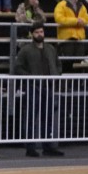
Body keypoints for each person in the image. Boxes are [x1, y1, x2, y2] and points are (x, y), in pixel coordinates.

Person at [16, 21, 64, 158]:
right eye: (37, 32)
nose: (39, 34)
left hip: (48, 86)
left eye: (41, 32)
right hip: (33, 87)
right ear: (32, 34)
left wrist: (56, 75)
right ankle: (30, 147)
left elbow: (58, 64)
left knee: (47, 117)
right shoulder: (26, 50)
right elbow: (18, 67)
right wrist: (30, 77)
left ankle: (47, 146)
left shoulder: (50, 48)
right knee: (31, 117)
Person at [54, 0, 88, 65]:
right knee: (67, 63)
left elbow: (87, 19)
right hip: (67, 38)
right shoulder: (61, 5)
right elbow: (59, 19)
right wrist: (76, 21)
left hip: (79, 38)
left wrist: (82, 21)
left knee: (78, 63)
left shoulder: (81, 5)